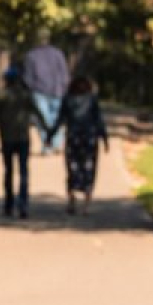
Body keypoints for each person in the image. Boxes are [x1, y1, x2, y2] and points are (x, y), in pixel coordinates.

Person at [0, 66, 39, 219]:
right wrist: (49, 131)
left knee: (9, 172)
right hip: (23, 138)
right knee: (23, 172)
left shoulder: (1, 96)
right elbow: (38, 113)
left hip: (7, 139)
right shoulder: (25, 95)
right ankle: (23, 204)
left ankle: (9, 204)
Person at [58, 75, 109, 214]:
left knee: (72, 168)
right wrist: (104, 138)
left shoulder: (68, 99)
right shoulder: (92, 100)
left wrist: (51, 135)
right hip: (89, 138)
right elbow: (98, 119)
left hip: (73, 137)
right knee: (89, 169)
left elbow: (60, 118)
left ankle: (72, 199)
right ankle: (86, 202)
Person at [18, 42, 71, 154]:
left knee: (43, 119)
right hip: (56, 90)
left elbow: (27, 77)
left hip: (39, 91)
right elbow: (64, 73)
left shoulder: (31, 55)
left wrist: (31, 87)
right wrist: (63, 86)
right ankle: (53, 143)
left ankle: (49, 144)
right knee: (55, 119)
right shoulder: (58, 54)